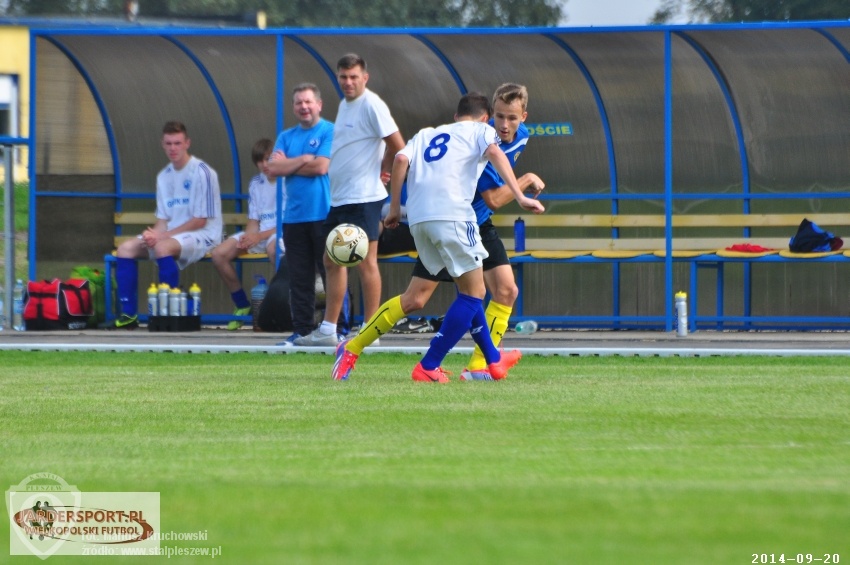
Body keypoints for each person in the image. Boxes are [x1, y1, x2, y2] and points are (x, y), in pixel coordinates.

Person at [333, 83, 545, 381]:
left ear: (523, 117)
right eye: (499, 117)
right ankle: (430, 364)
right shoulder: (482, 135)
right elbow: (495, 197)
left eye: (512, 118)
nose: (505, 125)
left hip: (431, 220)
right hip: (458, 220)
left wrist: (393, 208)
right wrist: (522, 190)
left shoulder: (428, 134)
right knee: (462, 295)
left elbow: (400, 159)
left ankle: (486, 363)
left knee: (498, 290)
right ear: (487, 117)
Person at [294, 53, 405, 346]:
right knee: (331, 261)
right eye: (343, 77)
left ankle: (371, 331)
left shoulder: (372, 105)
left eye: (354, 77)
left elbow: (398, 146)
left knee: (366, 262)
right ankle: (328, 331)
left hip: (364, 198)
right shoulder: (345, 105)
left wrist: (384, 169)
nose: (348, 82)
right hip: (340, 199)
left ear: (364, 78)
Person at [106, 120, 222, 329]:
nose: (173, 148)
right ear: (162, 144)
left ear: (187, 143)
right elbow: (164, 220)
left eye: (177, 143)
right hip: (171, 236)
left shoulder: (202, 172)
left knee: (162, 247)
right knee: (125, 249)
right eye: (168, 144)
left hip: (204, 234)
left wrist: (161, 237)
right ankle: (128, 315)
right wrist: (152, 234)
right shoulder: (163, 176)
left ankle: (167, 313)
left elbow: (200, 220)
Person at [266, 83, 334, 343]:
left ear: (319, 104)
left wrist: (289, 164)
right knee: (299, 278)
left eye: (308, 102)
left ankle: (337, 327)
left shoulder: (329, 131)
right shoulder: (286, 136)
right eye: (298, 103)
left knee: (332, 274)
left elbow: (321, 167)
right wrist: (305, 159)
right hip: (293, 219)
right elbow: (273, 169)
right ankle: (303, 330)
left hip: (324, 215)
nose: (304, 107)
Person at [210, 138, 280, 330]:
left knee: (274, 250)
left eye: (268, 159)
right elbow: (254, 220)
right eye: (259, 160)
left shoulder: (287, 181)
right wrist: (248, 238)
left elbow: (288, 223)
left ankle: (280, 306)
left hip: (280, 233)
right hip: (261, 234)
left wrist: (258, 236)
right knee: (219, 254)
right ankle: (242, 304)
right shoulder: (256, 183)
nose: (264, 165)